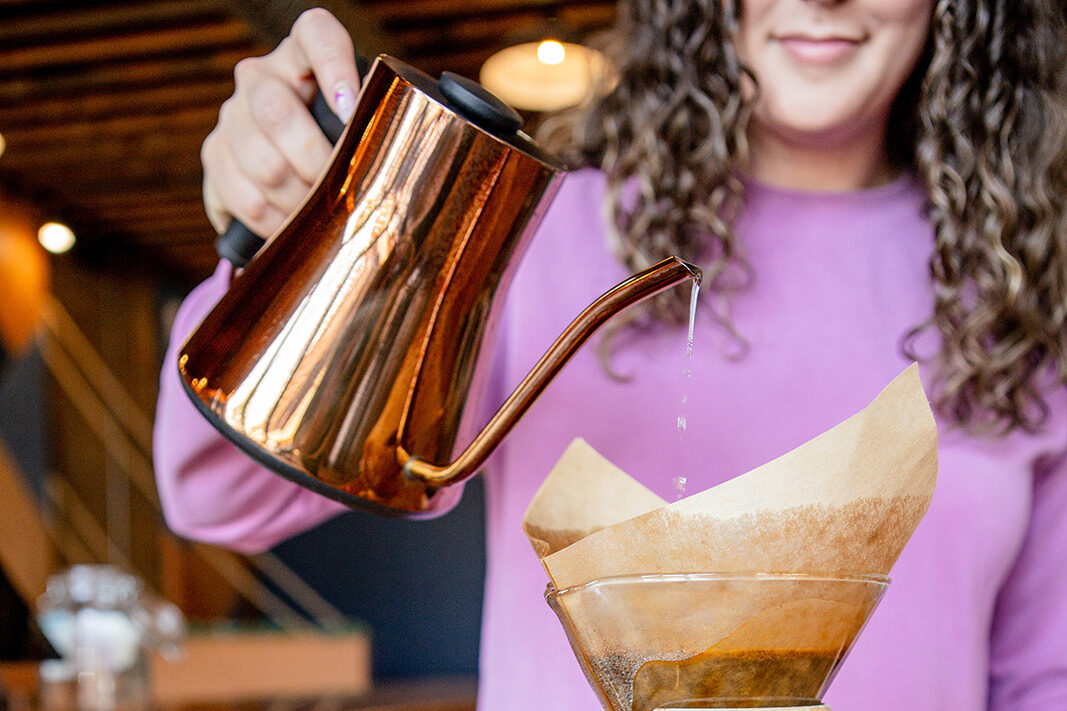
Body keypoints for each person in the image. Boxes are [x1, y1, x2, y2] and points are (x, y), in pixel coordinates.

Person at [153, 1, 1067, 709]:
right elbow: (219, 496)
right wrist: (301, 239)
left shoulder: (1023, 293)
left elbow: (1042, 676)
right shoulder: (538, 229)